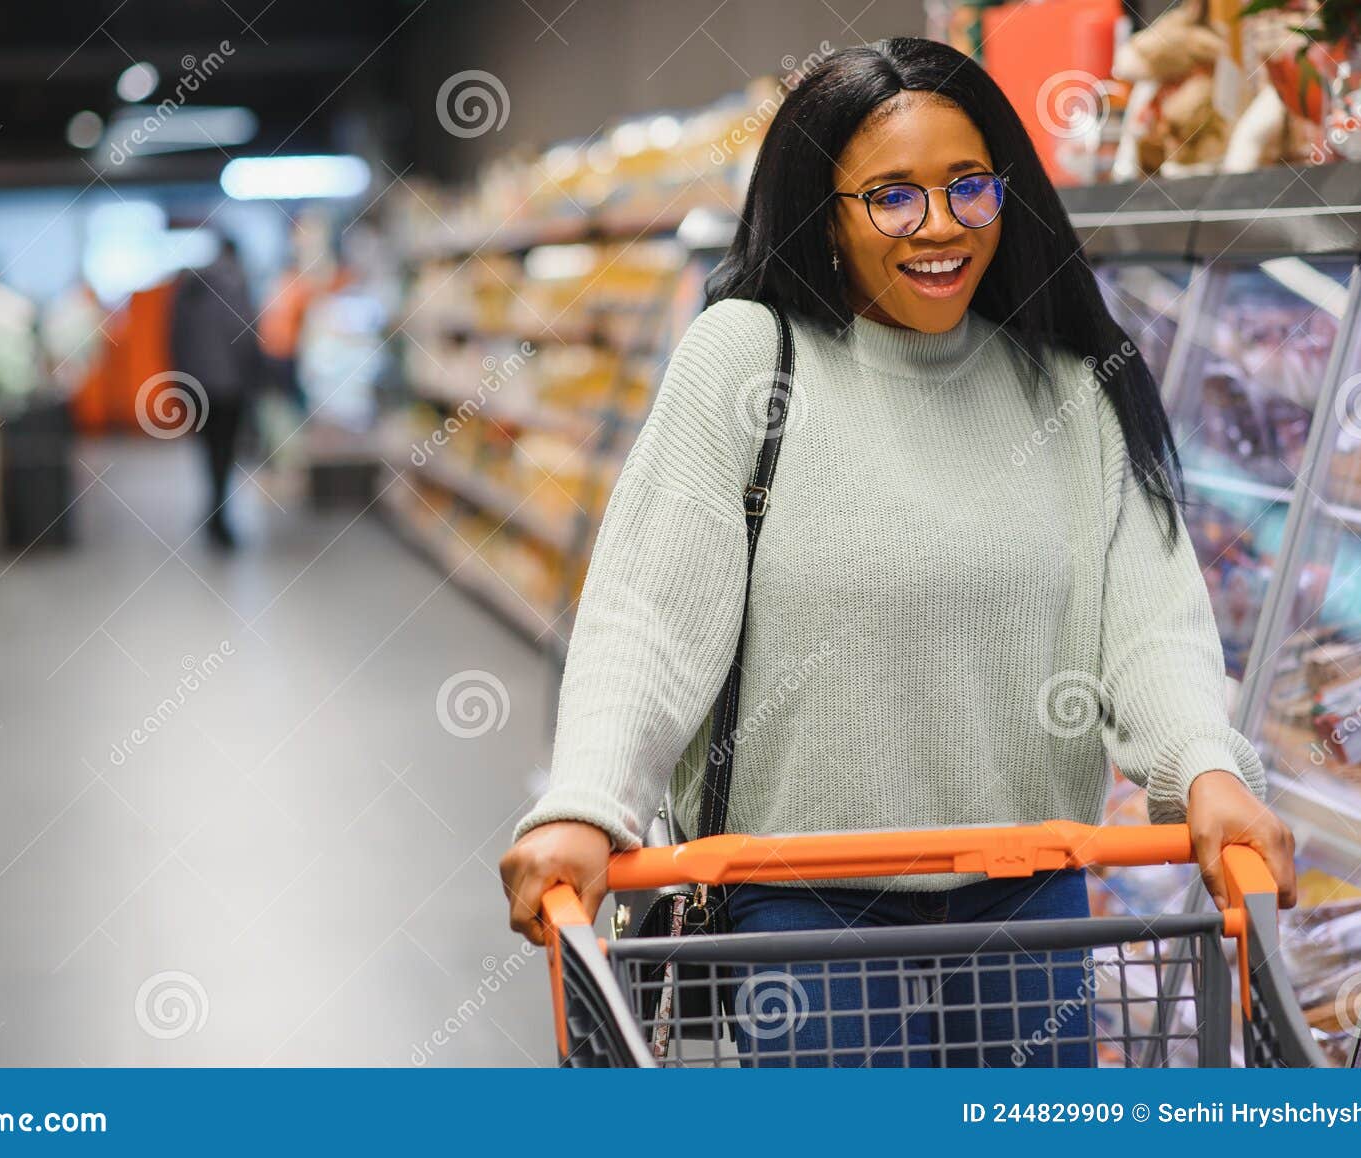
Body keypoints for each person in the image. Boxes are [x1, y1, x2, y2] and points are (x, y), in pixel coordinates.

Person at [498, 38, 1298, 1067]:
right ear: (821, 214)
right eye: (890, 196)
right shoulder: (750, 358)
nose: (939, 227)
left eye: (969, 186)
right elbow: (648, 618)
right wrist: (587, 807)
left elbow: (1149, 622)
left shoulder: (1067, 387)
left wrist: (1205, 773)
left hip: (1033, 905)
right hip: (801, 918)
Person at [166, 236, 260, 549]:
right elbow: (245, 334)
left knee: (208, 451)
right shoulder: (236, 285)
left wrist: (180, 383)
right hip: (230, 387)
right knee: (226, 452)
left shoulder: (188, 288)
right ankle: (219, 516)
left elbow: (173, 338)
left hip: (197, 386)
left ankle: (214, 511)